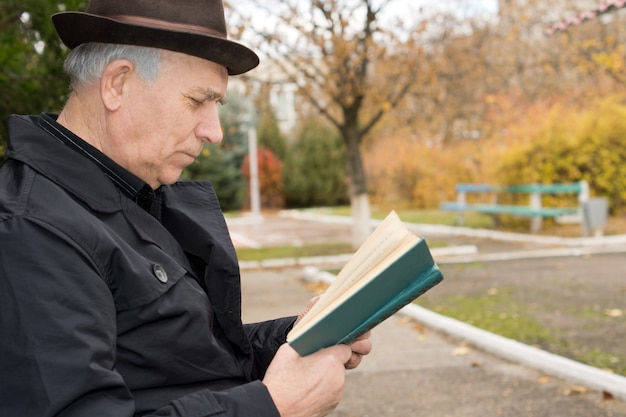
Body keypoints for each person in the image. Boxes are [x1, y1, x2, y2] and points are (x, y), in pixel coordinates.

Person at [0, 1, 372, 416]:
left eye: (217, 106)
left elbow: (181, 364)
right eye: (197, 101)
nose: (213, 132)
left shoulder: (130, 194)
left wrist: (292, 338)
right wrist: (275, 405)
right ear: (117, 84)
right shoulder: (33, 230)